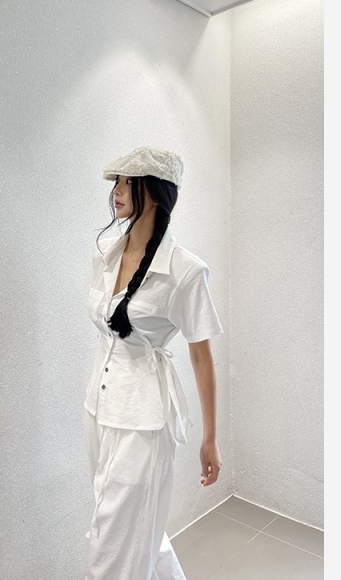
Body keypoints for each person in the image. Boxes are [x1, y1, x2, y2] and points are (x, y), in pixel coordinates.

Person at [83, 146, 224, 580]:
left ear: (156, 192)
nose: (117, 191)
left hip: (144, 418)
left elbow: (201, 357)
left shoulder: (186, 271)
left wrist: (210, 439)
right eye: (117, 182)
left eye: (129, 182)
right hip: (98, 407)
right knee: (132, 527)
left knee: (114, 539)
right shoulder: (106, 253)